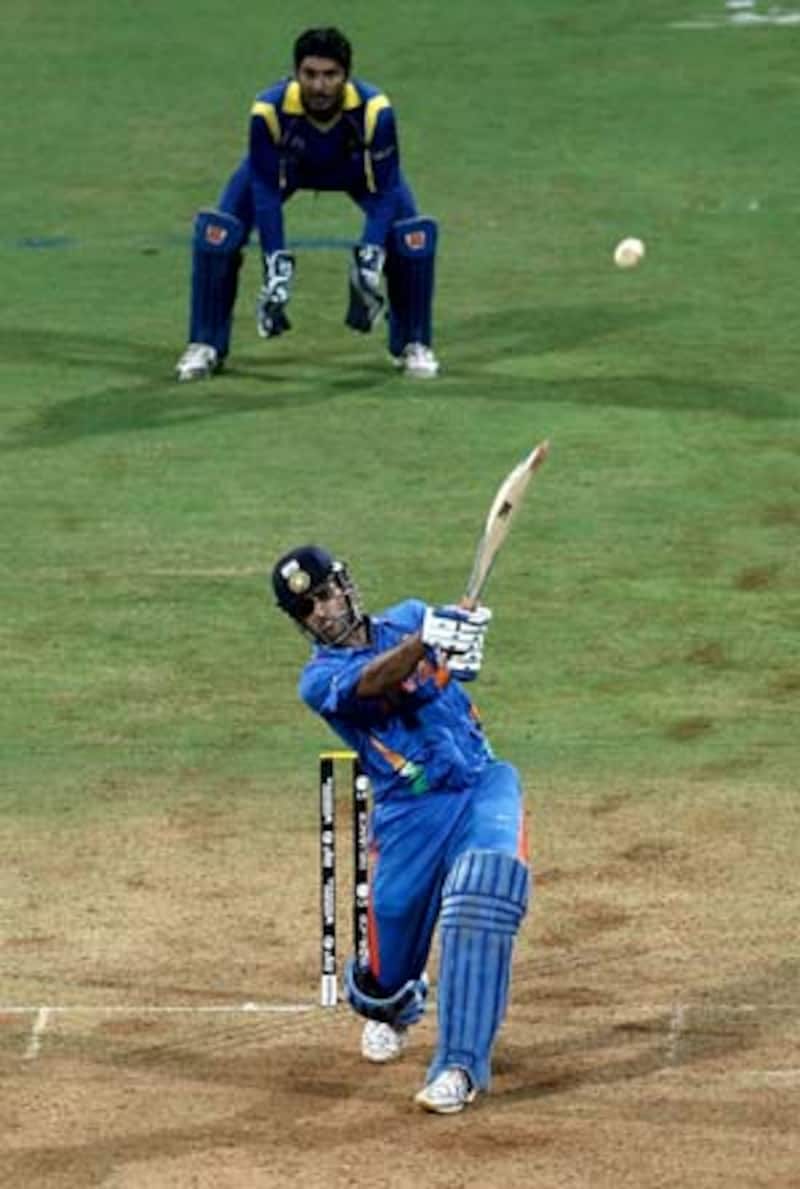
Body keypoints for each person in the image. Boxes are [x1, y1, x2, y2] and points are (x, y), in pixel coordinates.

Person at [271, 544, 531, 1114]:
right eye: (307, 609)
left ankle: (459, 1065)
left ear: (346, 587)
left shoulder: (412, 616)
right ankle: (390, 1007)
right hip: (409, 815)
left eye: (325, 595)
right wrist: (427, 641)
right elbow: (375, 682)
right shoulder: (319, 680)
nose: (322, 611)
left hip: (479, 784)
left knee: (483, 893)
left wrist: (461, 637)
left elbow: (457, 667)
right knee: (387, 966)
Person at [176, 26, 439, 383]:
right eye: (310, 74)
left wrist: (371, 254)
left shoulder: (375, 110)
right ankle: (204, 344)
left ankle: (413, 343)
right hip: (287, 171)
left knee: (413, 238)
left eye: (331, 75)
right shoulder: (269, 109)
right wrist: (275, 262)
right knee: (217, 234)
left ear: (347, 76)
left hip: (355, 173)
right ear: (295, 73)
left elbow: (387, 187)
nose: (319, 86)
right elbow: (265, 188)